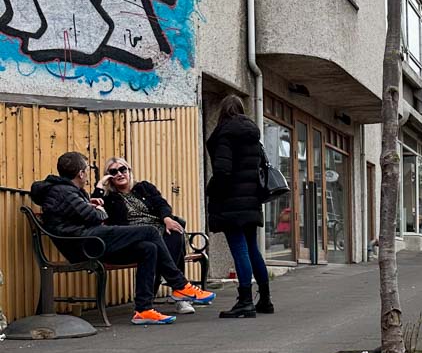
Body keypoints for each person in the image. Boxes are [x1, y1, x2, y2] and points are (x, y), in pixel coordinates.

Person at [30, 152, 212, 325]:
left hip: (89, 240)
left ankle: (144, 310)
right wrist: (98, 207)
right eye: (87, 170)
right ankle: (180, 285)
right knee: (150, 232)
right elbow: (96, 217)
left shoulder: (67, 191)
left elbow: (81, 213)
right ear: (81, 173)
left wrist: (90, 205)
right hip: (85, 244)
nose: (119, 174)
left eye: (123, 169)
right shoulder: (65, 191)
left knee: (149, 247)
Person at [97, 158, 212, 313]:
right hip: (133, 236)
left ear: (129, 171)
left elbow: (161, 204)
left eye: (123, 169)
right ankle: (179, 289)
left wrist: (167, 218)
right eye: (113, 172)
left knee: (175, 233)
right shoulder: (109, 197)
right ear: (108, 176)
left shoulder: (144, 187)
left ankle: (177, 293)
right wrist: (100, 185)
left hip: (159, 229)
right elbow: (95, 207)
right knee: (154, 245)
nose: (119, 174)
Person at [206, 94, 273, 318]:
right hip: (251, 200)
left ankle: (245, 301)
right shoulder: (252, 135)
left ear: (222, 112)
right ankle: (265, 299)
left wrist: (211, 190)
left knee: (240, 249)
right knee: (252, 248)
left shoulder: (225, 134)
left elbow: (223, 170)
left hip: (231, 202)